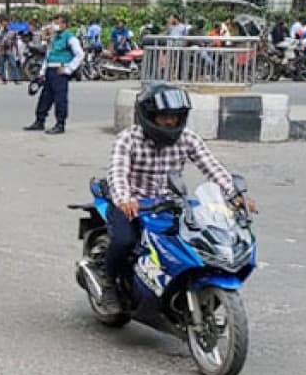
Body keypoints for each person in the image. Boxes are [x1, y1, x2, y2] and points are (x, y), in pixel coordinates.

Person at [103, 84, 250, 311]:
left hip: (170, 203)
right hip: (134, 204)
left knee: (194, 239)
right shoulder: (128, 139)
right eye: (164, 117)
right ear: (149, 116)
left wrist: (234, 193)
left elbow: (211, 167)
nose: (170, 122)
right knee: (124, 241)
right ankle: (109, 284)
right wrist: (124, 199)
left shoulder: (188, 138)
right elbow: (117, 173)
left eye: (175, 117)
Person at [24, 15, 84, 134]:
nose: (54, 25)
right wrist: (42, 72)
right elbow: (48, 55)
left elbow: (80, 54)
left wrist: (68, 69)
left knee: (60, 99)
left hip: (60, 70)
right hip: (50, 70)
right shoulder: (54, 38)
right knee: (45, 97)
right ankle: (39, 121)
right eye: (54, 23)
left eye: (57, 23)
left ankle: (60, 124)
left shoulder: (70, 38)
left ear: (64, 25)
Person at [0, 18, 21, 84]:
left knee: (13, 65)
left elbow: (15, 42)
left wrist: (17, 51)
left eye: (6, 22)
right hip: (1, 50)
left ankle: (16, 79)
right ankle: (3, 79)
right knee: (1, 65)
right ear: (1, 24)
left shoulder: (12, 32)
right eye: (3, 22)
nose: (5, 24)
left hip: (9, 50)